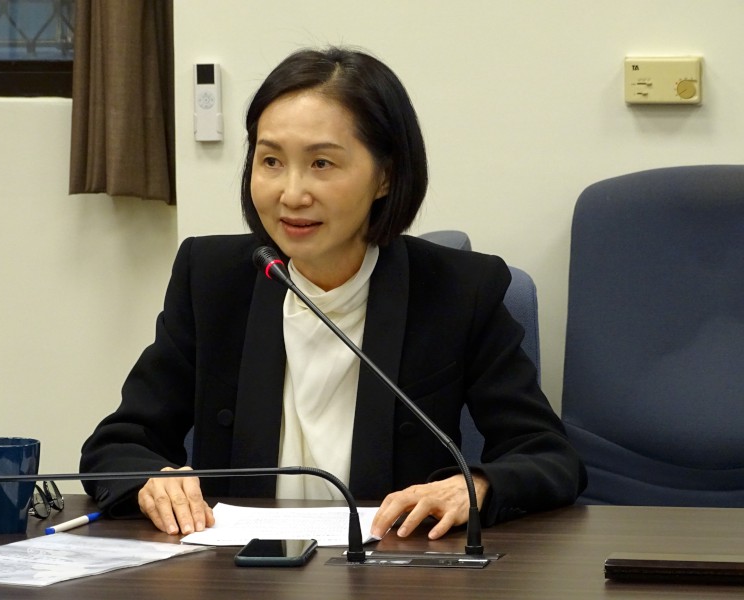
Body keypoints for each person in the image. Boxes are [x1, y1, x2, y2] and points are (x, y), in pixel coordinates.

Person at [80, 46, 587, 541]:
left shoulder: (459, 290)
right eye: (270, 161)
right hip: (240, 571)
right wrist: (153, 482)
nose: (291, 193)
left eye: (321, 163)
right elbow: (117, 446)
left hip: (391, 570)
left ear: (385, 176)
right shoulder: (212, 279)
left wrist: (475, 486)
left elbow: (548, 457)